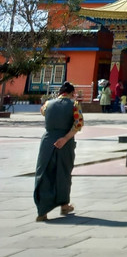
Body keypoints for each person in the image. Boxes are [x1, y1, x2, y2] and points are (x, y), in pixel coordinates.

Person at [34, 81, 83, 222]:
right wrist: (65, 138)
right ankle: (64, 205)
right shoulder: (74, 105)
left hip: (47, 142)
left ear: (61, 93)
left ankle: (42, 212)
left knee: (44, 173)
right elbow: (78, 124)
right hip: (65, 143)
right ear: (72, 93)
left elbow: (43, 112)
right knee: (63, 173)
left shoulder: (48, 104)